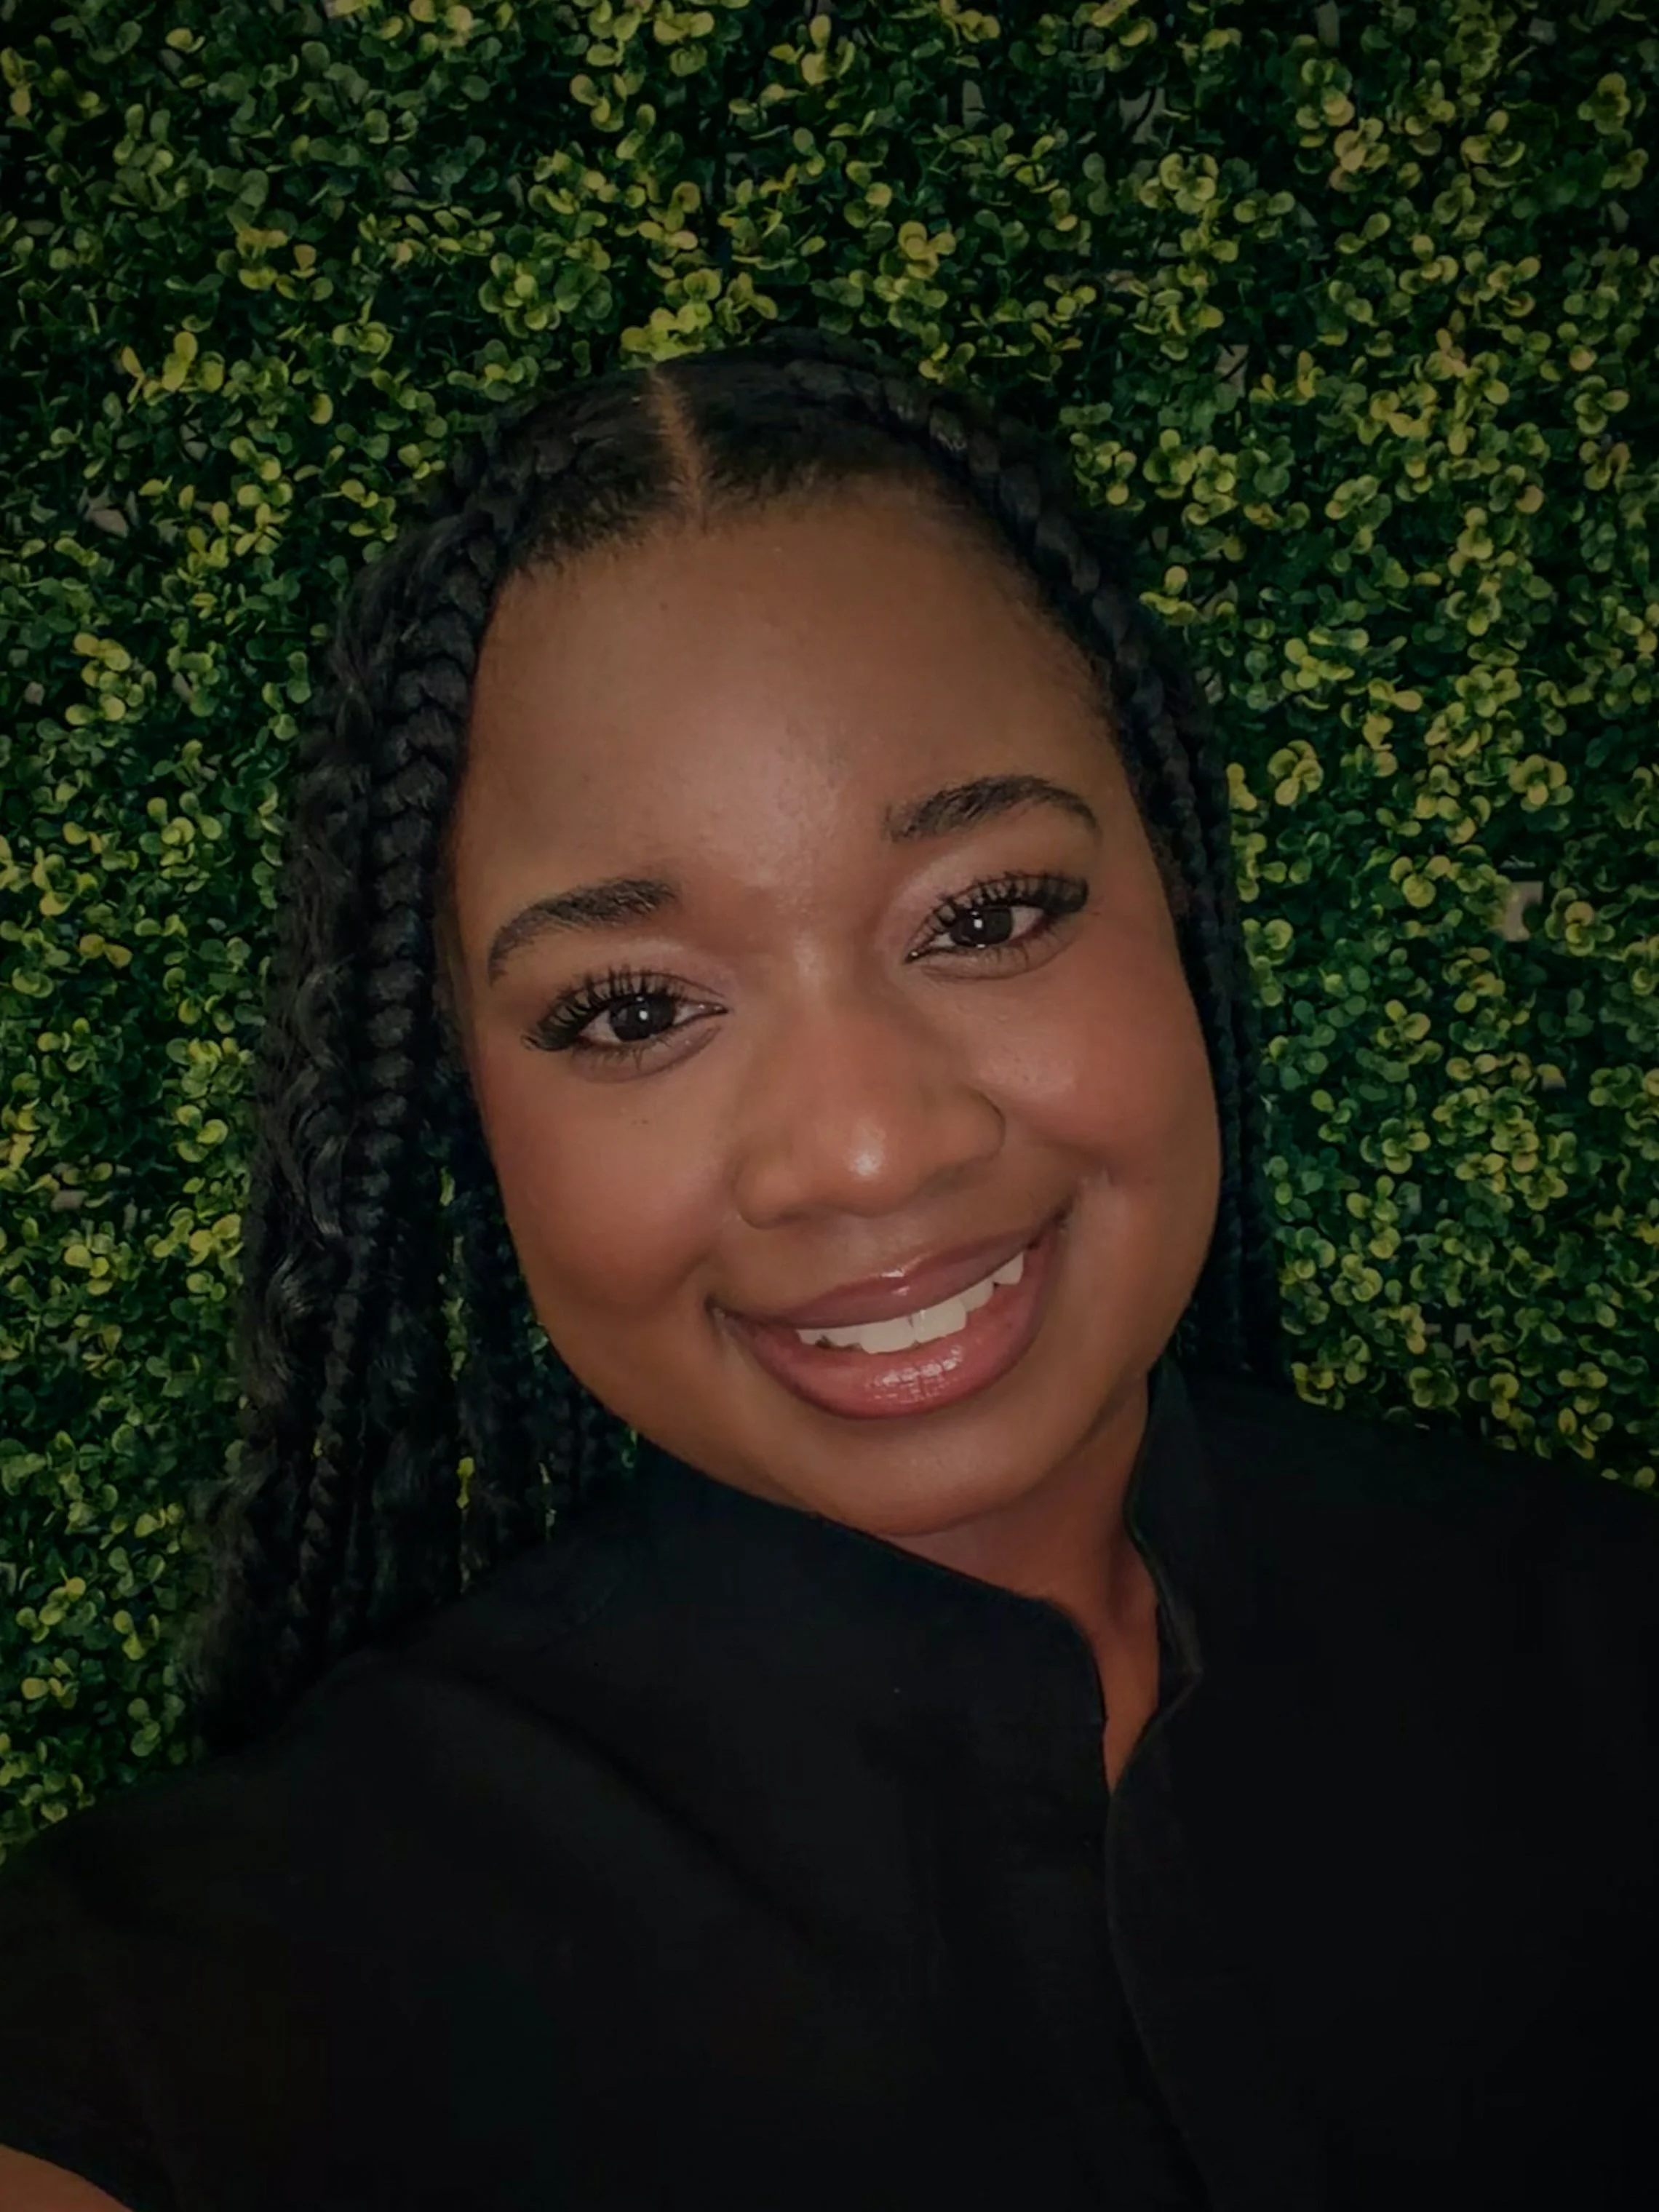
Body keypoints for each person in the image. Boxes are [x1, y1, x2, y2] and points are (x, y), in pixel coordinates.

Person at [0, 328, 1655, 2212]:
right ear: (468, 1107)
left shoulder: (1599, 1638)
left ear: (1174, 894)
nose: (866, 1145)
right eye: (633, 1011)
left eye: (988, 913)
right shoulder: (194, 2014)